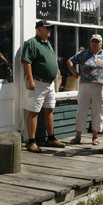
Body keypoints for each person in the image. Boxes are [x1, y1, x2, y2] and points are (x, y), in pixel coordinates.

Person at [21, 19, 66, 153]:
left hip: (50, 84)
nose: (49, 30)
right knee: (34, 112)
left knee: (49, 110)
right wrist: (30, 81)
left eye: (50, 28)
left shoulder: (48, 44)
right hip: (38, 83)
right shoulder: (32, 43)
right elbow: (26, 62)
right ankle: (31, 142)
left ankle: (51, 138)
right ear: (38, 29)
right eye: (46, 28)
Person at [67, 34, 103, 146]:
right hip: (85, 85)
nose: (95, 44)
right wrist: (74, 72)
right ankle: (78, 136)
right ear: (90, 43)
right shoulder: (83, 54)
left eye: (97, 42)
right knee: (82, 110)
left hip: (100, 86)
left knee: (98, 110)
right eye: (93, 42)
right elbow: (70, 61)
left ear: (101, 44)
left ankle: (95, 136)